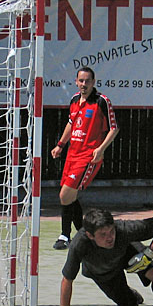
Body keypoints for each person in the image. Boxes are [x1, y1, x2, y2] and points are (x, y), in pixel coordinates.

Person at [50, 67, 119, 250]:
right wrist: (60, 145)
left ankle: (65, 236)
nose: (84, 84)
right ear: (76, 81)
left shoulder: (102, 101)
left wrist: (101, 149)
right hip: (72, 154)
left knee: (65, 195)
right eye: (81, 81)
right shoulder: (74, 100)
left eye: (87, 81)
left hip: (88, 157)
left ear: (93, 82)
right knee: (70, 196)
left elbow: (114, 128)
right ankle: (85, 233)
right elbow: (71, 124)